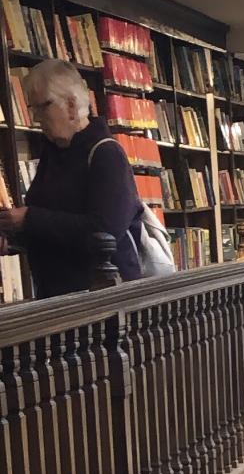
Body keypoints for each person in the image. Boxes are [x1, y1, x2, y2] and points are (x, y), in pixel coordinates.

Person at [0, 60, 143, 297]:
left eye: (42, 107)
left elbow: (106, 231)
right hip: (60, 297)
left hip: (102, 301)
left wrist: (29, 219)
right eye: (32, 108)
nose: (36, 118)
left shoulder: (106, 154)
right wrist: (13, 239)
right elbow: (53, 230)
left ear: (71, 104)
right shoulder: (53, 154)